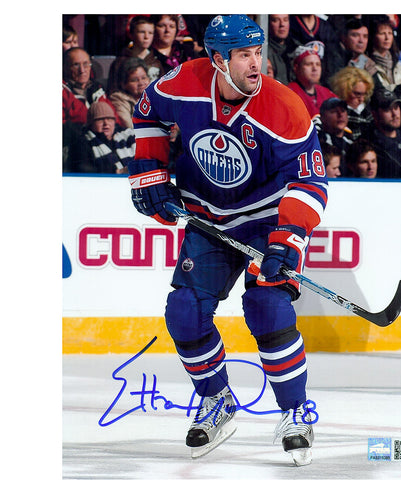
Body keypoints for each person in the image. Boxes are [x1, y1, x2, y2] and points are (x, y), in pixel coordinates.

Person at [128, 14, 328, 466]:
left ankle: (297, 412)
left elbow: (312, 185)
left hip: (267, 221)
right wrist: (149, 170)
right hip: (208, 220)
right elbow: (147, 111)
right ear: (217, 59)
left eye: (258, 53)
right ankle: (217, 400)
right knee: (185, 311)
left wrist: (288, 240)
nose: (256, 64)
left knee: (267, 306)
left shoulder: (285, 107)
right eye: (244, 55)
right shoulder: (184, 81)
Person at [67, 101, 135, 174]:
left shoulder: (128, 136)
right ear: (91, 123)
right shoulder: (82, 143)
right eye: (100, 119)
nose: (106, 123)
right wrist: (117, 171)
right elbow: (82, 169)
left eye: (109, 119)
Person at [107, 15, 163, 94]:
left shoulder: (157, 61)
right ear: (131, 34)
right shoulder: (120, 62)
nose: (146, 37)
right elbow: (113, 89)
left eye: (150, 33)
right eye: (142, 32)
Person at [289, 14, 344, 86]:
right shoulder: (290, 23)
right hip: (297, 83)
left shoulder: (326, 27)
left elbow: (333, 60)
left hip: (322, 83)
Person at [363, 87, 401, 178]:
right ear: (374, 114)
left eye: (396, 107)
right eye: (387, 109)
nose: (395, 114)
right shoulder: (368, 143)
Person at [288, 44, 337, 119]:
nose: (315, 68)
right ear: (296, 67)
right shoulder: (289, 93)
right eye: (309, 64)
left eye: (318, 64)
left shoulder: (327, 93)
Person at [368, 15, 401, 94]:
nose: (387, 38)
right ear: (373, 36)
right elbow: (376, 91)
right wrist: (399, 89)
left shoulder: (396, 61)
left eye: (390, 33)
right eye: (382, 33)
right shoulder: (368, 63)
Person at [329, 66, 375, 141]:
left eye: (364, 94)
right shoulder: (337, 115)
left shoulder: (368, 112)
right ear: (344, 90)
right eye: (357, 94)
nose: (361, 99)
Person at [314, 97, 353, 176]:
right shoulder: (317, 142)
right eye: (334, 111)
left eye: (343, 111)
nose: (340, 115)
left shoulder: (352, 142)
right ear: (322, 117)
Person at [109, 57, 151, 129]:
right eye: (134, 80)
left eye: (144, 78)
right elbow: (130, 126)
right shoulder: (118, 99)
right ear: (124, 84)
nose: (141, 83)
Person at [267, 14, 299, 85]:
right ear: (268, 23)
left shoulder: (297, 47)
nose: (282, 24)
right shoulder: (264, 51)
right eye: (275, 20)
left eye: (285, 20)